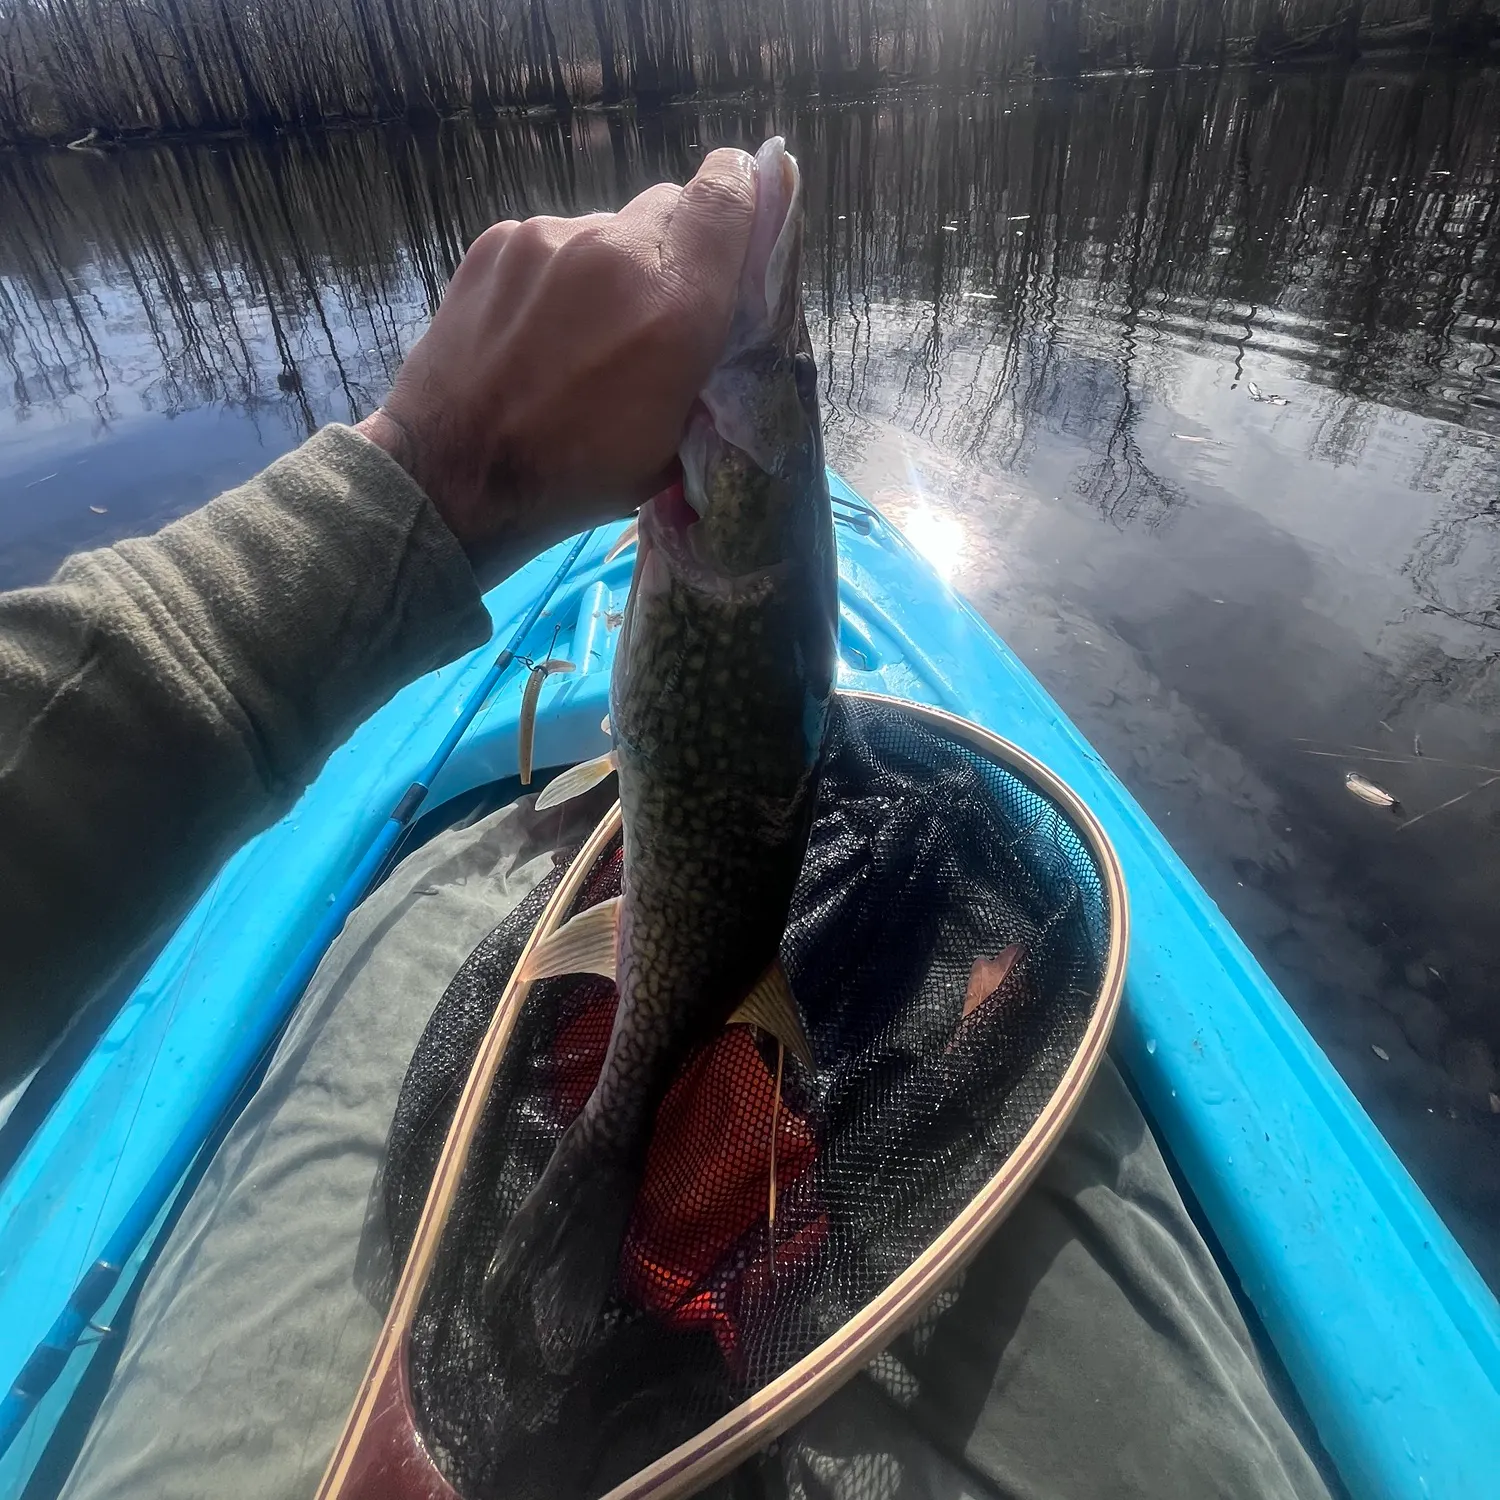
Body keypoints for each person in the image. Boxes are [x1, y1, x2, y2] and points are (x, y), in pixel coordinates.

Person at [0, 149, 1332, 1500]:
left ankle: (607, 1158)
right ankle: (626, 1157)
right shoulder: (731, 528)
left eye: (792, 393)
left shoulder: (731, 528)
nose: (783, 384)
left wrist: (445, 459)